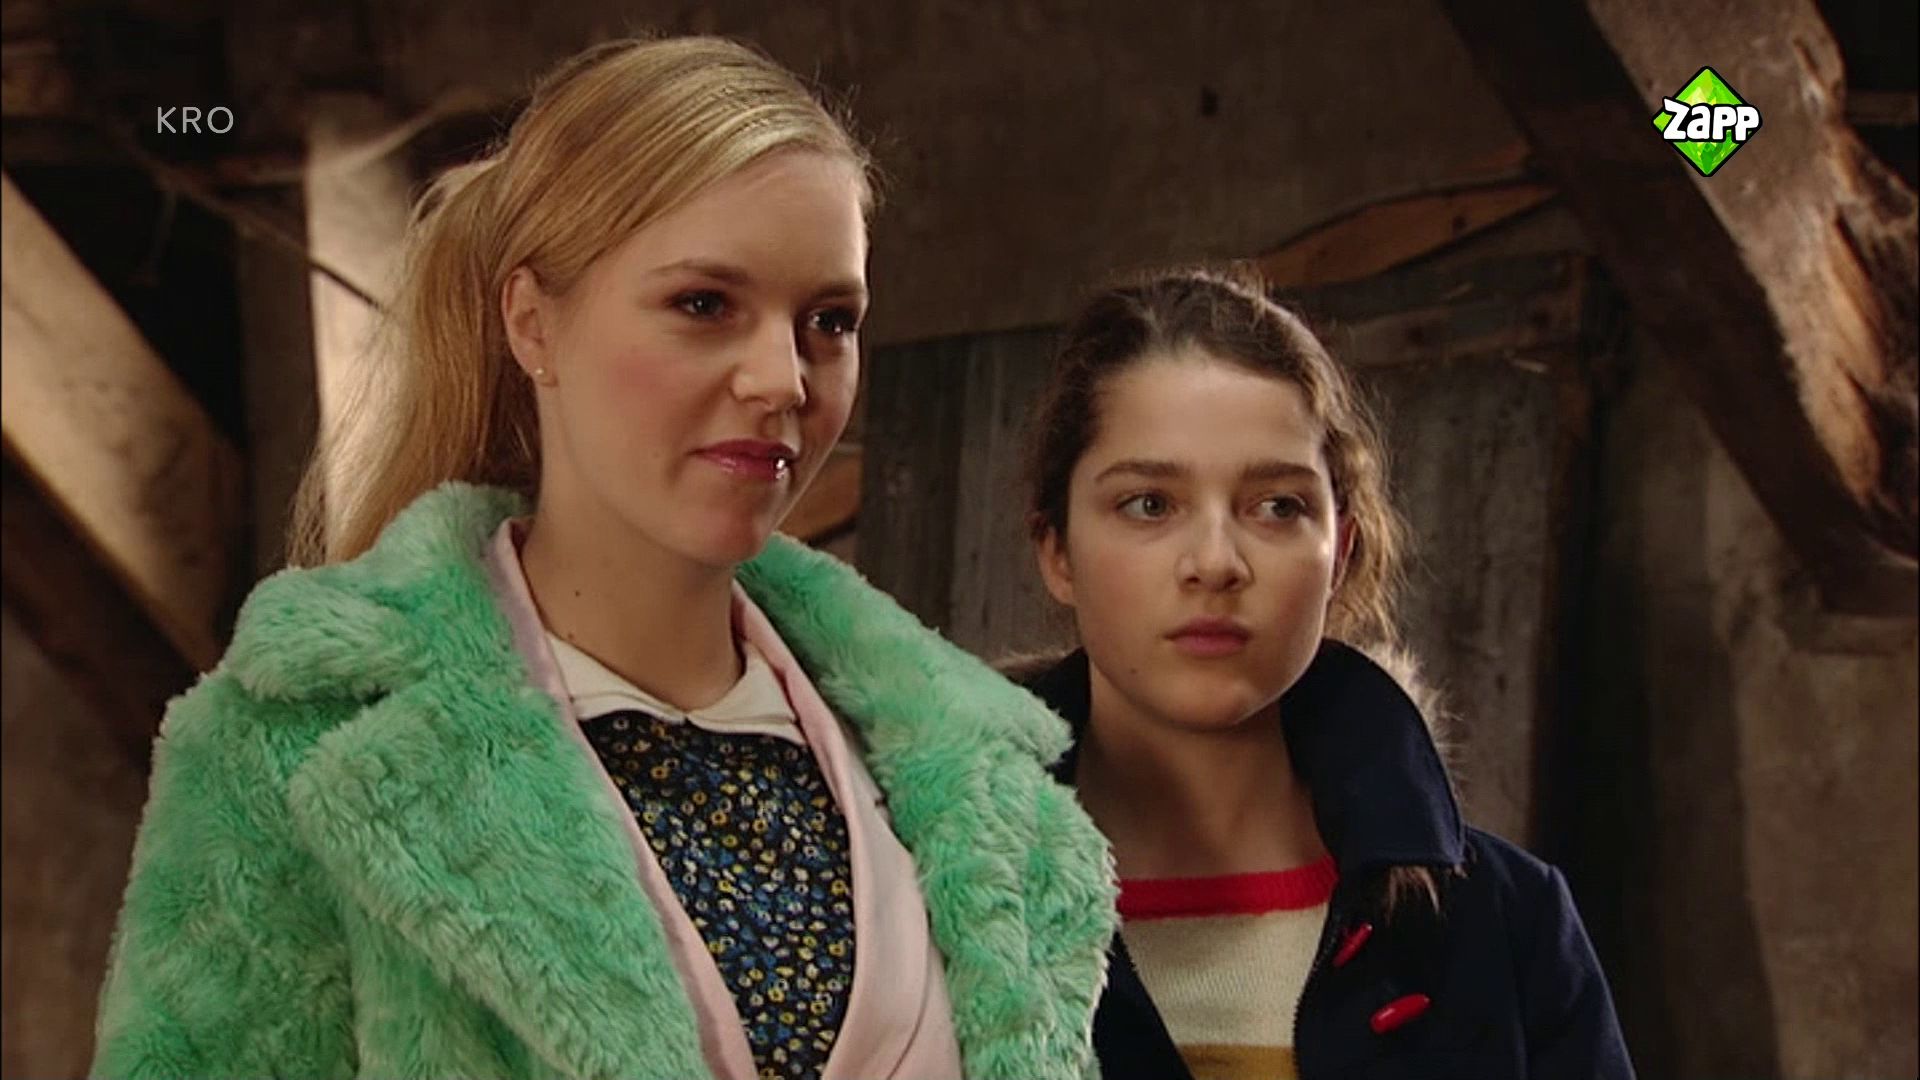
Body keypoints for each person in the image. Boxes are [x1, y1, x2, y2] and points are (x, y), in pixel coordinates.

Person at [91, 36, 1114, 1080]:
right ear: (532, 324)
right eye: (705, 304)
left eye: (829, 321)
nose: (782, 379)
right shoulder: (294, 750)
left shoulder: (979, 784)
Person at [1013, 266, 1634, 1080]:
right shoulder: (921, 916)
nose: (1216, 562)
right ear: (1057, 552)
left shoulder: (1509, 927)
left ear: (1340, 553)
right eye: (1150, 504)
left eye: (1278, 507)